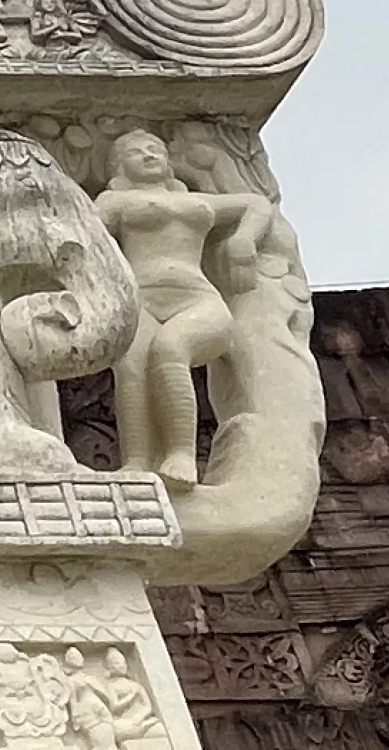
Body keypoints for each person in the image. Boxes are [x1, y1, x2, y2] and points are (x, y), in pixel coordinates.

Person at [96, 128, 272, 487]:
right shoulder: (114, 202)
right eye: (136, 152)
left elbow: (257, 204)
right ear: (119, 166)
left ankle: (180, 454)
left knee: (170, 348)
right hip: (140, 298)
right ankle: (137, 461)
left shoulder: (197, 202)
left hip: (197, 297)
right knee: (130, 366)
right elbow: (85, 232)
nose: (148, 155)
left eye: (155, 149)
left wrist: (243, 240)